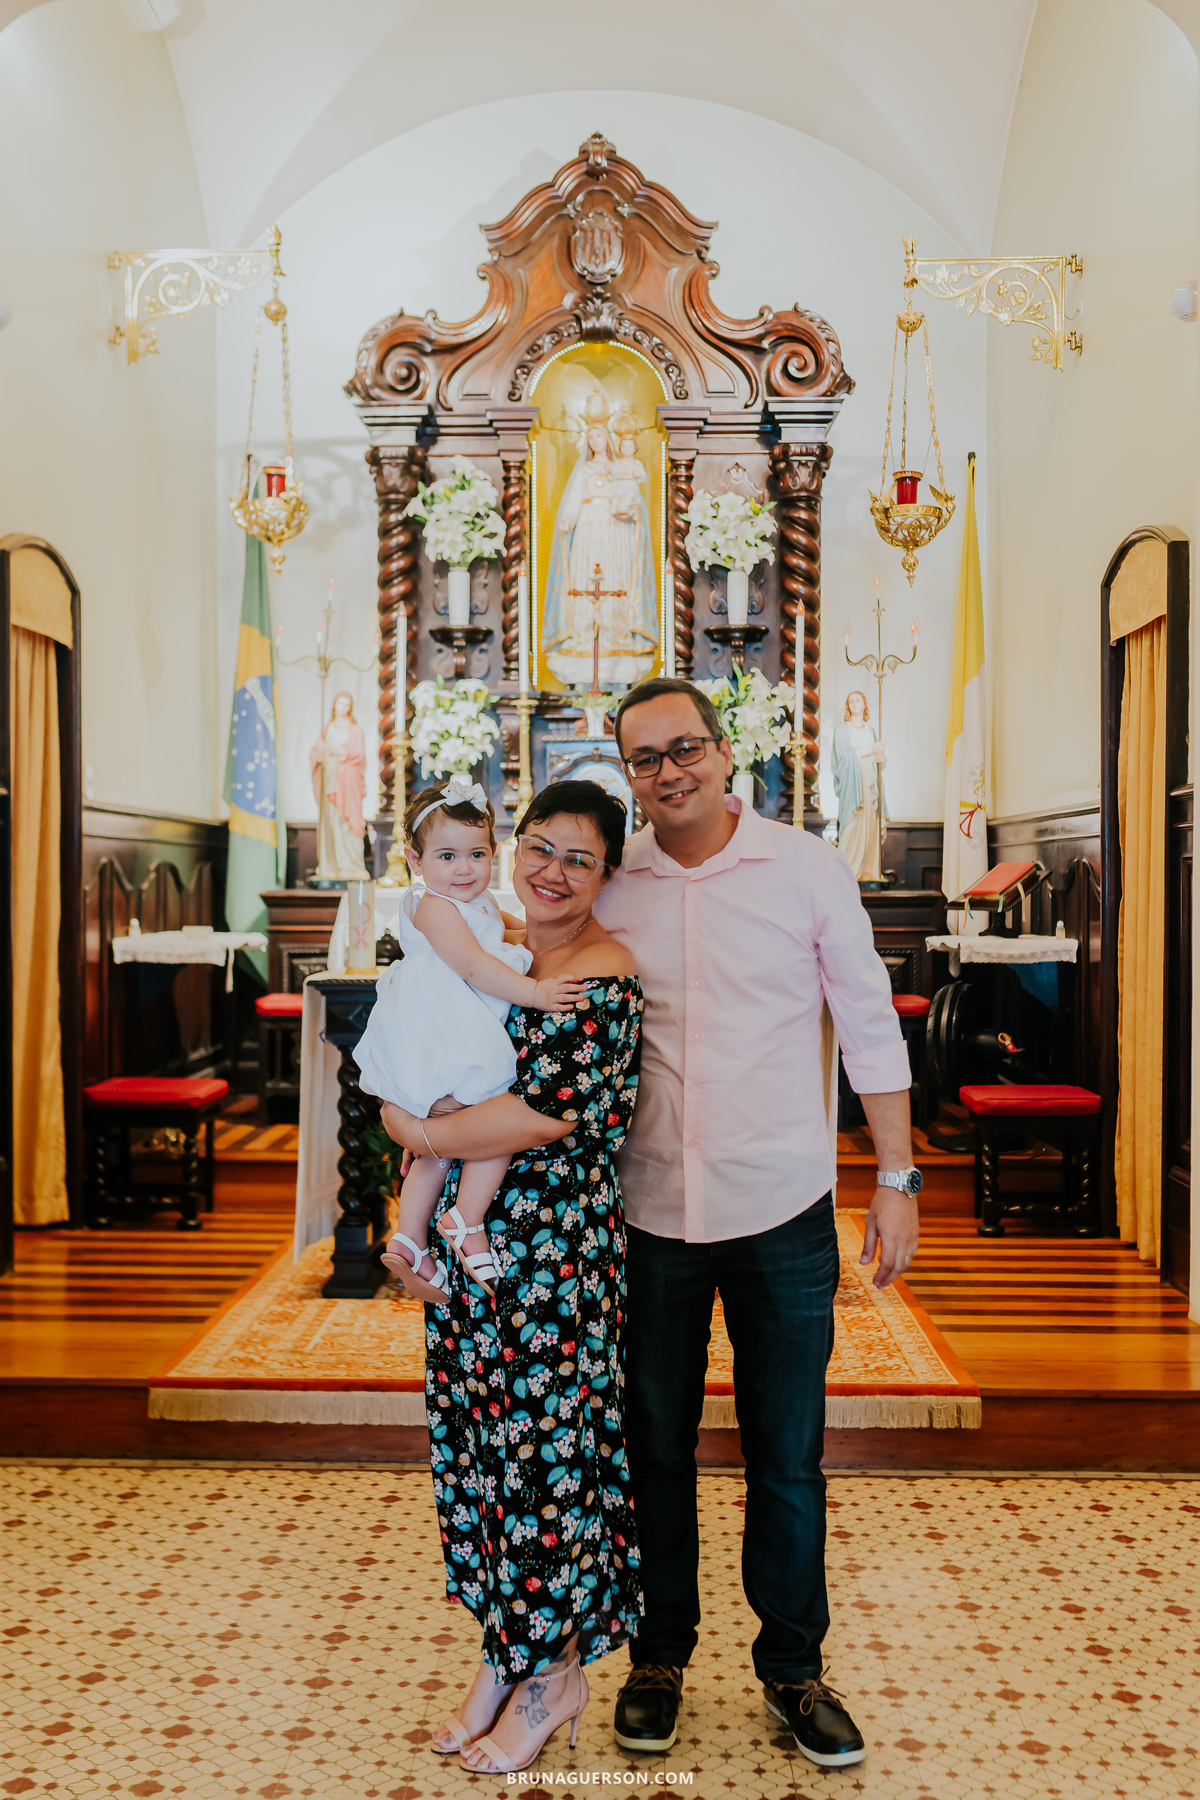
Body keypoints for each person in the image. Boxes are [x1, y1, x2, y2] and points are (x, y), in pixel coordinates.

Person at [595, 676, 919, 1771]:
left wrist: (898, 1176)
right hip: (648, 1213)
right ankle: (658, 1654)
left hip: (782, 1207)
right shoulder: (611, 885)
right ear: (627, 775)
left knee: (788, 1454)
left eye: (686, 747)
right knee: (654, 1449)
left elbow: (869, 1025)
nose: (670, 770)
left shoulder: (806, 869)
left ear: (725, 752)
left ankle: (793, 1667)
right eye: (646, 757)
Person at [377, 780, 645, 1776]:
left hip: (552, 1265)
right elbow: (423, 1058)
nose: (551, 871)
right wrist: (418, 1146)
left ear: (607, 874)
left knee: (543, 1471)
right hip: (480, 1252)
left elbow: (547, 1115)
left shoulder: (602, 977)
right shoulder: (499, 953)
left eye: (579, 858)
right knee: (486, 1458)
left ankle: (553, 1677)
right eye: (537, 846)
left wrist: (417, 1131)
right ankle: (504, 1654)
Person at [353, 773, 586, 1301]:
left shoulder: (478, 902)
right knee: (490, 1117)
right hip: (442, 1030)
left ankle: (411, 1238)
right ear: (415, 859)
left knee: (442, 1141)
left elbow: (520, 932)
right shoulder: (430, 905)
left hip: (458, 1026)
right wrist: (537, 992)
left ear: (494, 852)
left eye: (477, 855)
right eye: (448, 857)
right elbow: (476, 966)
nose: (464, 870)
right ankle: (467, 1217)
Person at [309, 690, 368, 879]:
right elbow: (318, 751)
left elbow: (356, 754)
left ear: (350, 708)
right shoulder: (328, 728)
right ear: (334, 705)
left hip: (348, 782)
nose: (342, 708)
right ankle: (331, 866)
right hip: (330, 781)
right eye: (339, 703)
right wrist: (319, 755)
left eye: (346, 704)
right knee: (331, 822)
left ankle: (352, 865)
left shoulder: (355, 730)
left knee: (348, 822)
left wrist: (334, 750)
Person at [831, 688, 887, 882]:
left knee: (869, 823)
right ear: (848, 707)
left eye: (858, 701)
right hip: (852, 786)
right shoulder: (841, 730)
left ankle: (869, 871)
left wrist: (880, 757)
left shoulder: (870, 730)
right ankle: (847, 873)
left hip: (869, 783)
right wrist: (870, 749)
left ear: (864, 705)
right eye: (851, 702)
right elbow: (843, 757)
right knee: (852, 825)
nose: (855, 704)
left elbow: (879, 762)